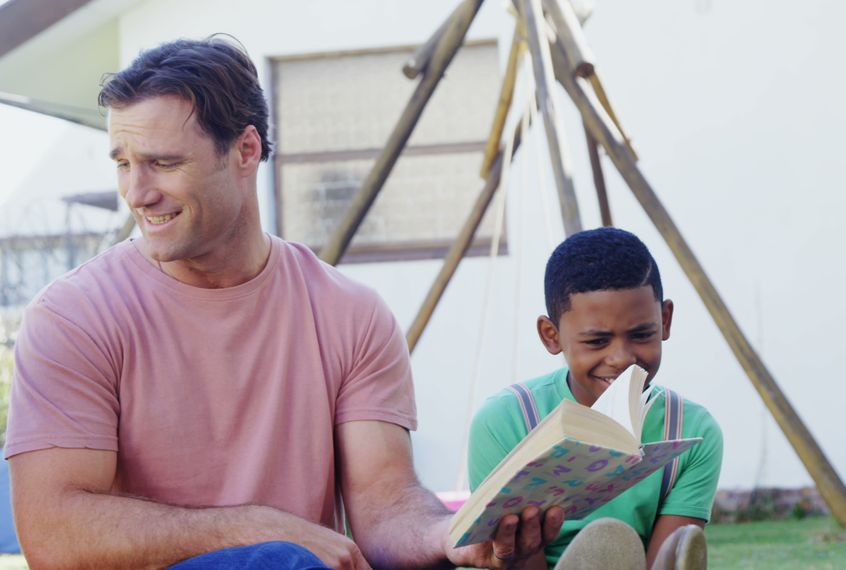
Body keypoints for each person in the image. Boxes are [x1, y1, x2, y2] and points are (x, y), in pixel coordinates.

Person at [3, 36, 561, 569]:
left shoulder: (351, 314)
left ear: (245, 150)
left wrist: (445, 537)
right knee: (281, 558)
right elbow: (54, 534)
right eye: (123, 163)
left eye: (163, 163)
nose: (137, 192)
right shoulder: (74, 316)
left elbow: (383, 503)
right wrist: (257, 527)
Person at [467, 227, 723, 570]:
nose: (621, 358)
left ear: (664, 321)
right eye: (596, 342)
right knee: (606, 543)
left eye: (641, 334)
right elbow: (516, 559)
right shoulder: (506, 421)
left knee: (661, 550)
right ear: (551, 335)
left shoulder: (692, 430)